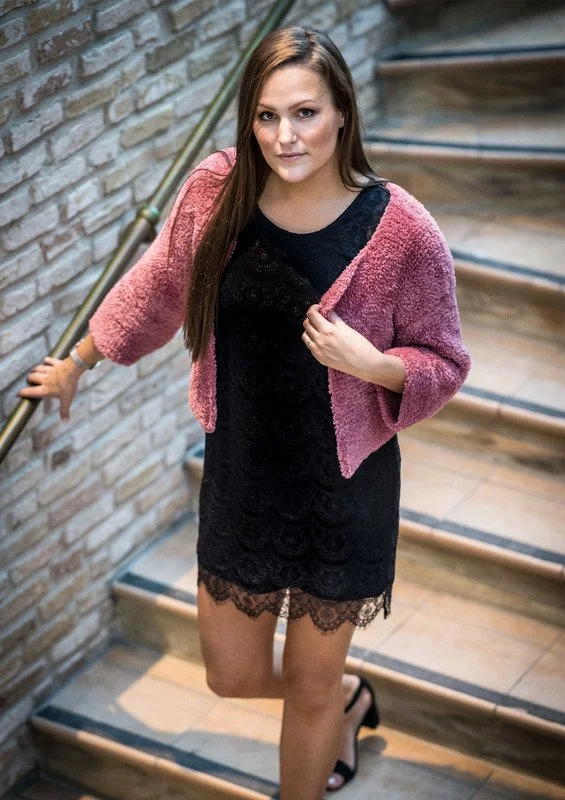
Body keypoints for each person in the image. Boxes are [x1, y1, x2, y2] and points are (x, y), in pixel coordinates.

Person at [18, 25, 471, 800]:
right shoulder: (217, 190)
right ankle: (345, 700)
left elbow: (445, 360)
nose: (284, 136)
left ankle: (324, 706)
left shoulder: (402, 231)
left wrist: (371, 363)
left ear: (341, 113)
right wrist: (78, 363)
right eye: (267, 116)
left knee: (307, 684)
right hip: (242, 476)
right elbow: (158, 282)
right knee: (228, 675)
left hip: (341, 489)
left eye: (304, 113)